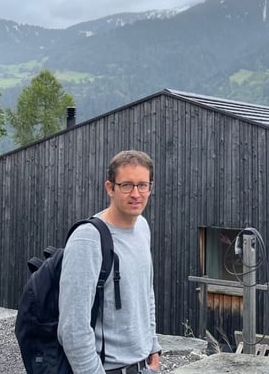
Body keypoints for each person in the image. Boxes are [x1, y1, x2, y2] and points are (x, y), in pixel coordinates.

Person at [58, 150, 162, 373]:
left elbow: (146, 293)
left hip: (143, 366)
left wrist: (152, 346)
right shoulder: (88, 239)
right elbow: (73, 328)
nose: (136, 193)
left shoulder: (142, 227)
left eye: (143, 185)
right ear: (110, 188)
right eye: (126, 185)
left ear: (150, 188)